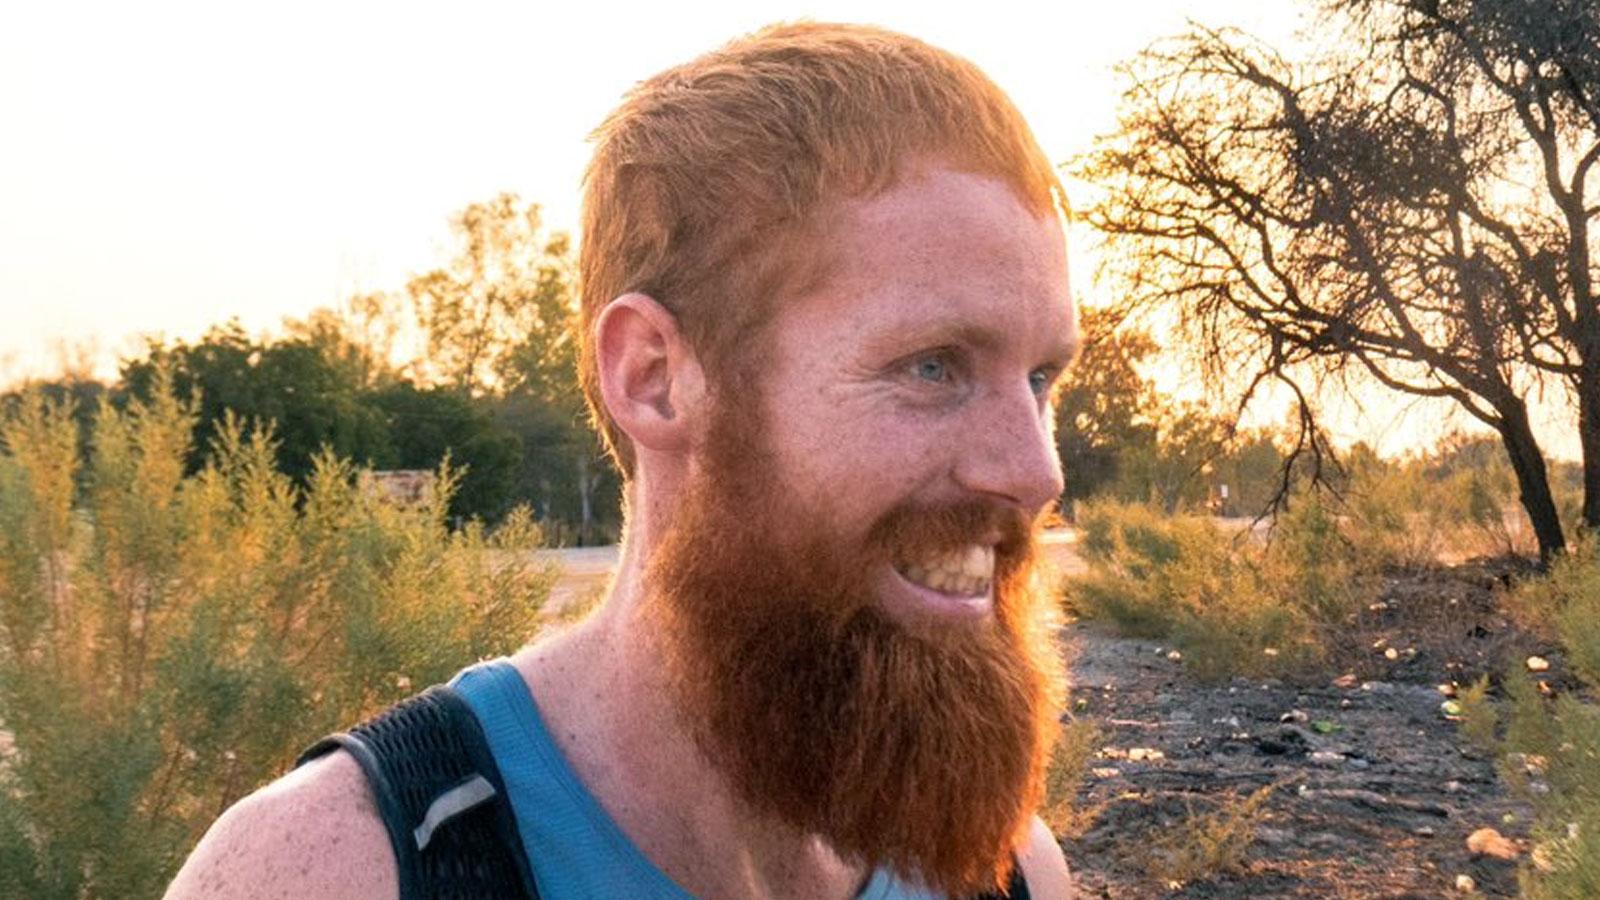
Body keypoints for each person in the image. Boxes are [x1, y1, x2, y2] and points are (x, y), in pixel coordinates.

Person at [165, 21, 1079, 900]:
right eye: (932, 367)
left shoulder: (1009, 875)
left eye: (1040, 378)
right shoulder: (347, 871)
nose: (1036, 473)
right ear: (653, 377)